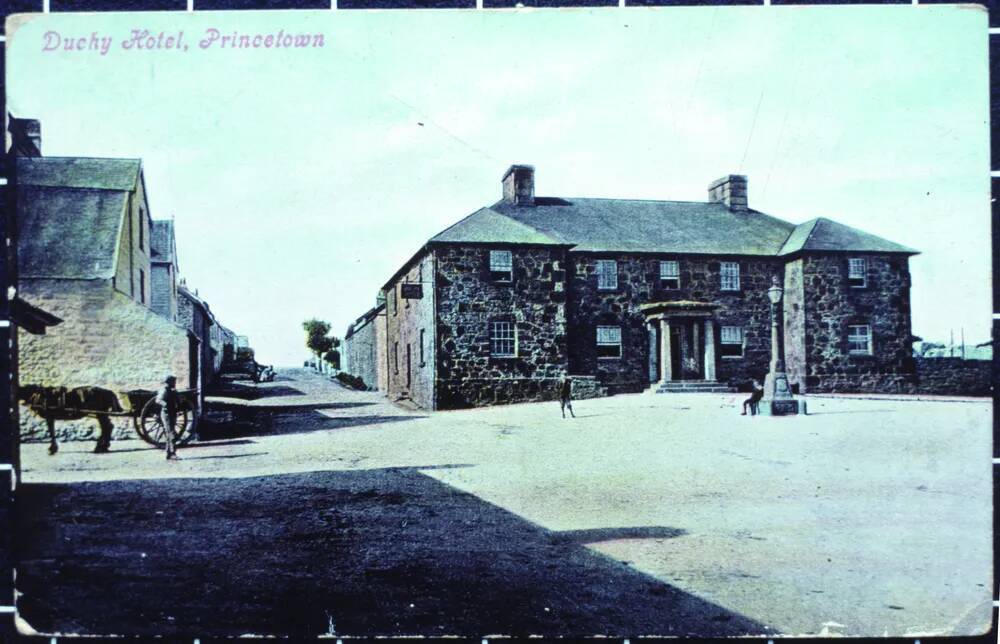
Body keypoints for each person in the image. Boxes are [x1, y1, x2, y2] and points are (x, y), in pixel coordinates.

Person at [155, 375, 180, 460]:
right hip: (167, 414)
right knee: (171, 433)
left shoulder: (172, 391)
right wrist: (166, 404)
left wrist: (177, 395)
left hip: (172, 413)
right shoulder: (164, 390)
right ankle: (172, 453)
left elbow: (179, 401)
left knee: (169, 433)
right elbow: (158, 400)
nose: (175, 383)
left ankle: (168, 452)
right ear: (169, 382)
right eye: (173, 382)